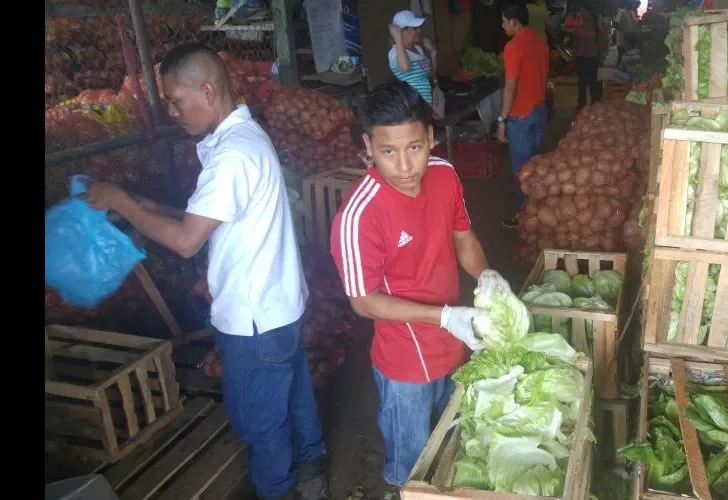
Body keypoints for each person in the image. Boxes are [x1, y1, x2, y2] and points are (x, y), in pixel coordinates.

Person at [82, 43, 327, 500]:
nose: (173, 110)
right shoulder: (241, 138)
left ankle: (279, 491)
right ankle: (312, 470)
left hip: (253, 319)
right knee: (293, 393)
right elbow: (209, 218)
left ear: (209, 91)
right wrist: (153, 207)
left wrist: (121, 200)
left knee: (259, 418)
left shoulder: (233, 154)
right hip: (278, 305)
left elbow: (187, 239)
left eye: (176, 99)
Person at [329, 81, 511, 500]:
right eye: (388, 151)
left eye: (414, 146)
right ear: (368, 147)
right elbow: (363, 300)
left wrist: (487, 275)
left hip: (457, 342)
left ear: (430, 137)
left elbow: (463, 237)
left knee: (452, 442)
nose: (405, 164)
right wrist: (445, 316)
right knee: (411, 466)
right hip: (405, 365)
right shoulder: (359, 215)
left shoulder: (444, 174)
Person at [497, 2, 550, 229]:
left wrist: (502, 120)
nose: (502, 25)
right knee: (535, 165)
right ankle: (536, 209)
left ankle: (524, 215)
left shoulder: (513, 47)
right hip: (539, 111)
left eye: (503, 21)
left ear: (513, 21)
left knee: (522, 169)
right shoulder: (540, 42)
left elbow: (510, 87)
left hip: (521, 115)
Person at [388, 10, 438, 108]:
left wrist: (433, 53)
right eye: (415, 28)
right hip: (412, 108)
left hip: (426, 105)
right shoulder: (394, 52)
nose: (419, 31)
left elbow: (430, 75)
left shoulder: (418, 49)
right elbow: (405, 67)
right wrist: (397, 39)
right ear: (402, 31)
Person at [573, 3, 606, 110]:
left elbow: (601, 43)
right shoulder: (579, 25)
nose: (581, 14)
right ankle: (581, 104)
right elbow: (575, 43)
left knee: (594, 84)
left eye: (583, 12)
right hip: (581, 58)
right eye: (580, 12)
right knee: (581, 84)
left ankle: (594, 104)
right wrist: (573, 58)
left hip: (593, 59)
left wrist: (601, 59)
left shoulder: (597, 26)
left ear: (589, 12)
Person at [613, 0, 638, 65]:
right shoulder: (621, 12)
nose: (633, 5)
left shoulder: (632, 12)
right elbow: (615, 24)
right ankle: (618, 71)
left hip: (630, 39)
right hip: (622, 38)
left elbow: (635, 23)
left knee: (629, 57)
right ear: (627, 4)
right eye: (632, 4)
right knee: (621, 56)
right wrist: (623, 31)